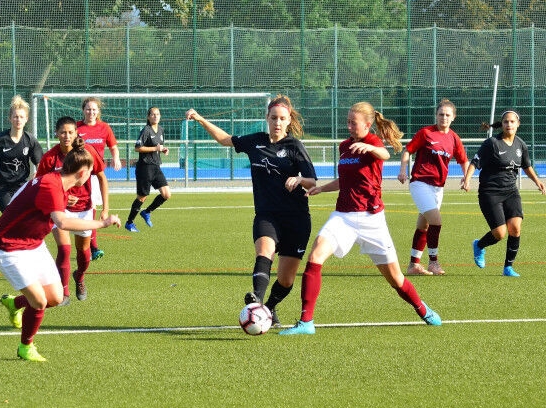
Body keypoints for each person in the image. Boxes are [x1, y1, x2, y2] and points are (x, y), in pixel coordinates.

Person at [280, 102, 442, 335]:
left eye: (353, 123)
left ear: (367, 124)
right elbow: (345, 180)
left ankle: (422, 309)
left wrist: (370, 148)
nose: (349, 126)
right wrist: (322, 188)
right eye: (347, 122)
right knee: (315, 256)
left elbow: (386, 154)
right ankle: (306, 322)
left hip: (371, 219)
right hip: (343, 216)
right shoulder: (345, 146)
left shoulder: (373, 142)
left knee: (396, 279)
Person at [185, 95, 317, 327]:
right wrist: (201, 119)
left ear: (288, 121)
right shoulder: (256, 141)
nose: (277, 122)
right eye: (274, 118)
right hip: (267, 215)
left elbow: (312, 182)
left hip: (296, 219)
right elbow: (225, 139)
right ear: (267, 118)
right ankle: (257, 298)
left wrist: (299, 179)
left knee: (286, 280)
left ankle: (269, 308)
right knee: (264, 252)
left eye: (282, 119)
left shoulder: (295, 147)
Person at [0, 138, 121, 361]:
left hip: (34, 244)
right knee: (39, 302)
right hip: (9, 247)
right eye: (90, 173)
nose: (91, 177)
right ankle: (26, 347)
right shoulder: (51, 185)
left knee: (55, 298)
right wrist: (102, 223)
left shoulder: (59, 182)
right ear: (82, 172)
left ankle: (14, 303)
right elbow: (62, 222)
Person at [461, 109, 546, 278]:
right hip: (490, 193)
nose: (509, 124)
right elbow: (475, 162)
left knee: (515, 228)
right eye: (506, 121)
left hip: (511, 192)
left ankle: (508, 267)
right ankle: (479, 245)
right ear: (502, 124)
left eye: (512, 122)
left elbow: (526, 166)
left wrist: (537, 181)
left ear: (518, 124)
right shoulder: (492, 143)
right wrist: (467, 180)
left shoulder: (521, 145)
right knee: (500, 233)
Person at [36, 116, 110, 305]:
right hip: (59, 210)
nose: (67, 136)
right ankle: (64, 292)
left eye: (70, 132)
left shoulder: (88, 152)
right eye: (63, 132)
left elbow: (102, 177)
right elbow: (39, 184)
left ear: (76, 133)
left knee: (84, 252)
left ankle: (80, 277)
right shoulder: (50, 158)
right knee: (64, 249)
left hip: (84, 209)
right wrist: (60, 197)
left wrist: (105, 208)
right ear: (56, 134)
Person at [397, 99, 469, 276]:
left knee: (424, 225)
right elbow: (408, 151)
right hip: (420, 183)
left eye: (447, 115)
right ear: (436, 116)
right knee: (436, 221)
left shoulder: (454, 138)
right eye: (441, 114)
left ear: (453, 117)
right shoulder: (426, 133)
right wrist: (403, 170)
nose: (444, 117)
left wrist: (466, 178)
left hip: (438, 188)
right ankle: (433, 262)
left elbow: (463, 160)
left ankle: (413, 265)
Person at [77, 97, 122, 260]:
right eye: (88, 109)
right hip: (78, 175)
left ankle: (92, 247)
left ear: (98, 111)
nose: (91, 112)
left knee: (91, 208)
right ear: (83, 110)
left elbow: (113, 146)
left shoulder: (104, 128)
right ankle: (87, 246)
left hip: (95, 176)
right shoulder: (76, 127)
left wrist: (116, 158)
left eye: (94, 109)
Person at [0, 95, 43, 211]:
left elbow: (39, 161)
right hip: (1, 186)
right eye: (15, 117)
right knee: (10, 212)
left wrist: (38, 173)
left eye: (21, 117)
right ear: (10, 118)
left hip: (21, 185)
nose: (18, 120)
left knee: (21, 215)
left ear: (26, 119)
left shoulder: (30, 140)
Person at [124, 106, 171, 232]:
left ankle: (147, 212)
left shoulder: (161, 130)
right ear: (148, 117)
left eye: (158, 114)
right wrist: (155, 149)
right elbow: (137, 148)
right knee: (142, 197)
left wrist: (163, 149)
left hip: (156, 167)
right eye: (153, 114)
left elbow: (159, 146)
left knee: (166, 194)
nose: (156, 116)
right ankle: (129, 223)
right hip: (145, 168)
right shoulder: (146, 130)